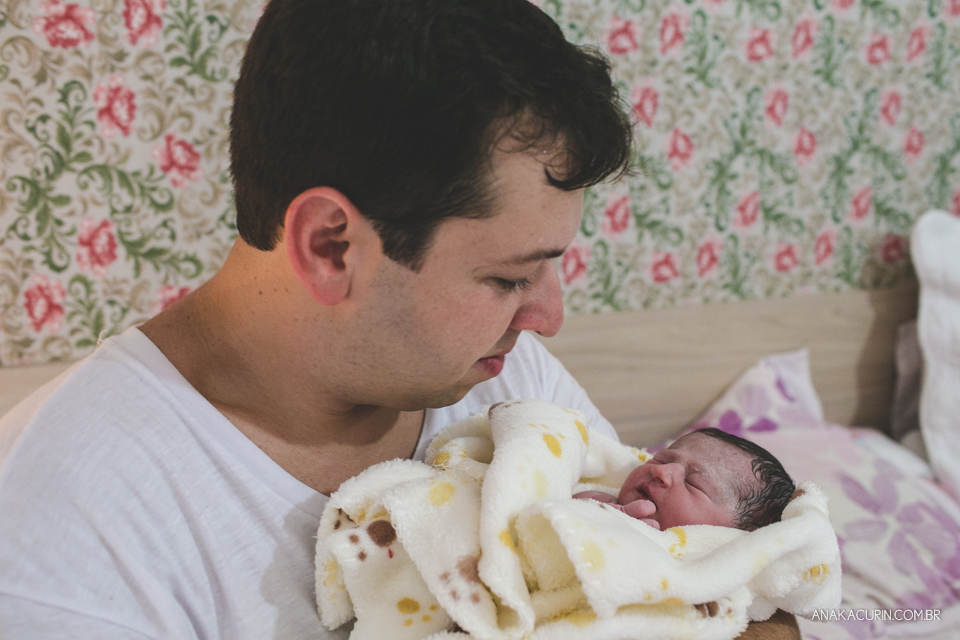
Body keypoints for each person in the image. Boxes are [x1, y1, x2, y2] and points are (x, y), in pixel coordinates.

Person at [0, 0, 799, 638]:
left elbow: (694, 592)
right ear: (331, 244)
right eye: (507, 277)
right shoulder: (71, 529)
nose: (549, 316)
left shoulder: (502, 381)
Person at [574, 428, 796, 532]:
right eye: (661, 459)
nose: (662, 472)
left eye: (693, 483)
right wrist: (586, 508)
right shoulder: (600, 502)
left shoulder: (709, 569)